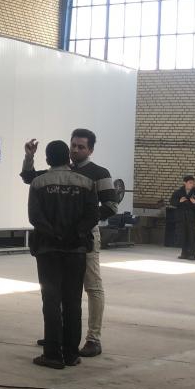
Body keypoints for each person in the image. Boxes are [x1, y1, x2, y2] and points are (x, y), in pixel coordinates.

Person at [21, 128, 119, 357]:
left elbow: (111, 206)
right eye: (73, 145)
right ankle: (59, 336)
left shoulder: (99, 173)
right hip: (62, 236)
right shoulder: (62, 169)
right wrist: (29, 156)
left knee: (91, 286)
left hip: (84, 235)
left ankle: (93, 338)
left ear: (90, 150)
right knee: (61, 290)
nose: (76, 150)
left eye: (81, 147)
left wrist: (81, 223)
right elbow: (29, 177)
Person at [27, 140, 98, 369]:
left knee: (51, 301)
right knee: (73, 301)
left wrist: (55, 234)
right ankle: (71, 354)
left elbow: (35, 217)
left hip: (48, 250)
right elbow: (92, 215)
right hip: (76, 250)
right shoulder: (86, 183)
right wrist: (75, 233)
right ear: (68, 157)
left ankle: (52, 355)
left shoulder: (39, 183)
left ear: (48, 159)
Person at [170, 175, 195, 260]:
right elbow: (172, 202)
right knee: (183, 235)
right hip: (181, 217)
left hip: (192, 218)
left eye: (193, 183)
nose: (192, 184)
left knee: (192, 236)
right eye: (190, 183)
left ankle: (192, 254)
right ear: (184, 183)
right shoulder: (178, 192)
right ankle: (184, 253)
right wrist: (179, 201)